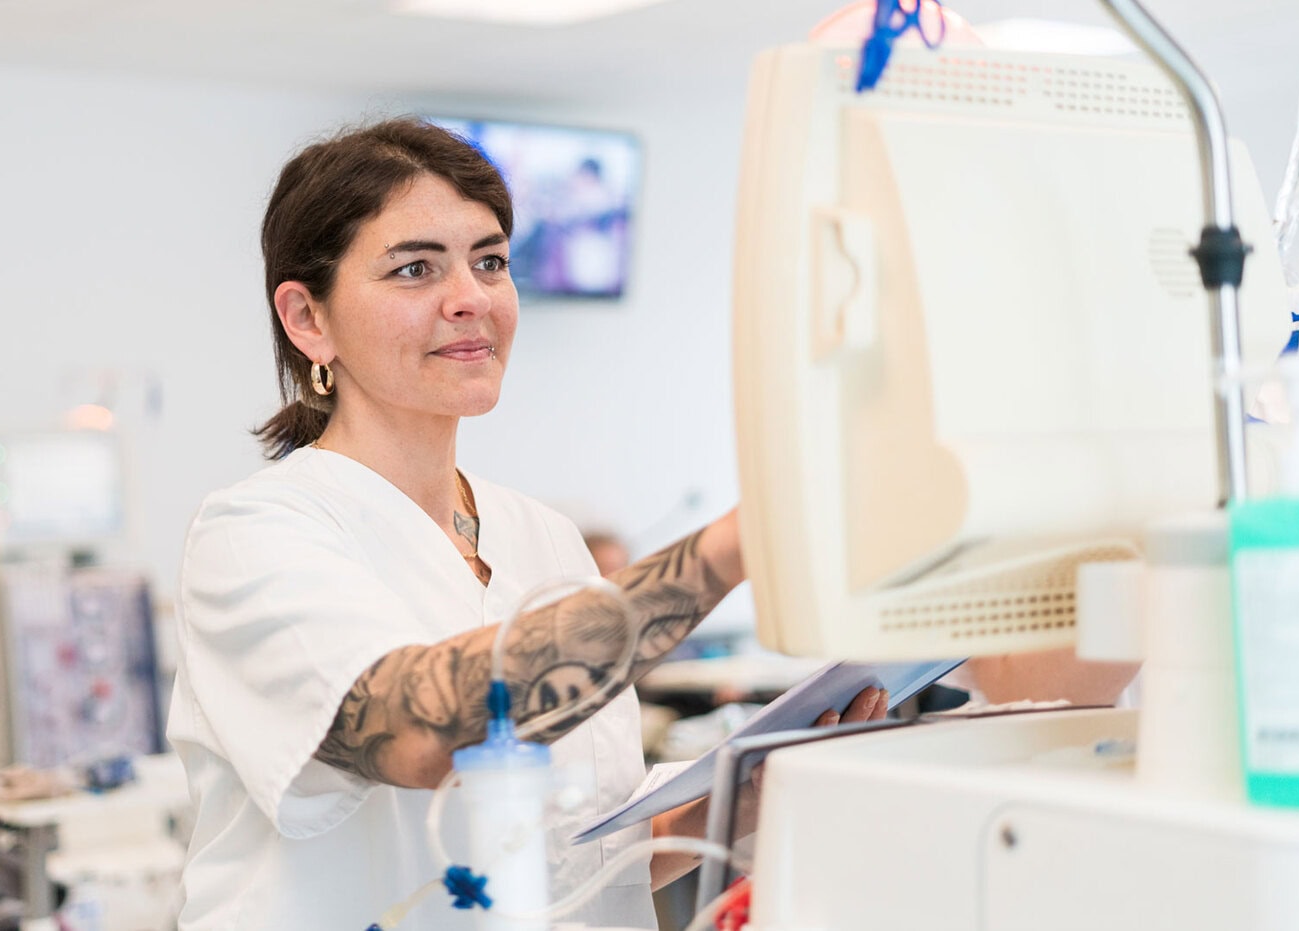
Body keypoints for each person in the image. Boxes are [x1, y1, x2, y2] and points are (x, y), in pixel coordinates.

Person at [165, 117, 887, 931]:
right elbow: (423, 730)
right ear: (308, 319)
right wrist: (740, 541)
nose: (471, 298)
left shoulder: (542, 536)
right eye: (414, 268)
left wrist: (735, 797)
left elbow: (571, 855)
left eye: (491, 262)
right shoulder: (254, 533)